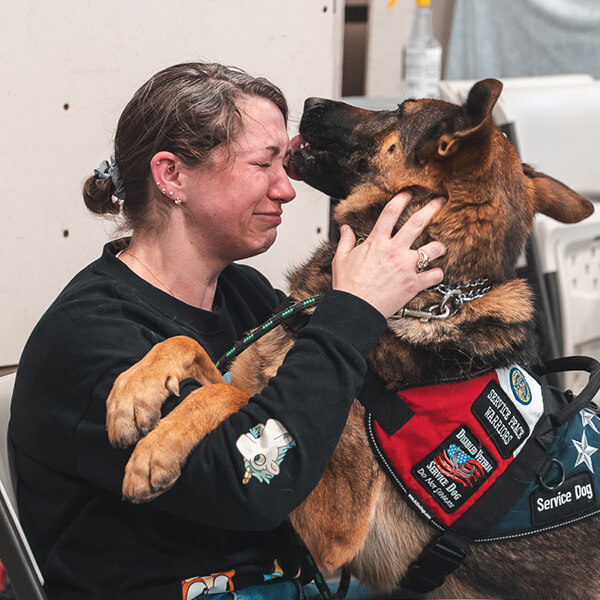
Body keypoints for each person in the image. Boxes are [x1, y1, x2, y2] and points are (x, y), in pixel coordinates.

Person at [9, 62, 446, 600]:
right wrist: (354, 309)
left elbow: (328, 434)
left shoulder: (246, 294)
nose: (287, 188)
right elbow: (257, 483)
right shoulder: (87, 336)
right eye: (263, 164)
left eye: (283, 164)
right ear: (172, 176)